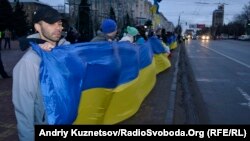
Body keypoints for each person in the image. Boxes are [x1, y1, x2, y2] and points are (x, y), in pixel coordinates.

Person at [12, 5, 70, 141]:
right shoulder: (29, 62)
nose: (58, 28)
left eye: (59, 24)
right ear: (38, 27)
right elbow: (24, 111)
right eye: (51, 23)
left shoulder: (67, 52)